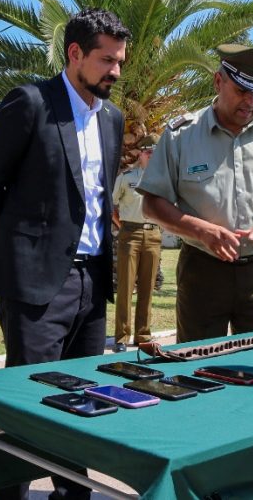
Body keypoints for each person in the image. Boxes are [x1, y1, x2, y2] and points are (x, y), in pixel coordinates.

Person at [0, 8, 128, 500]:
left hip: (92, 284)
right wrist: (18, 252)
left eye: (121, 61)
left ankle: (73, 494)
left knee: (82, 401)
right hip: (37, 286)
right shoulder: (32, 102)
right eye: (107, 60)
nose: (116, 72)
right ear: (75, 53)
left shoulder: (113, 120)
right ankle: (8, 495)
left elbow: (99, 197)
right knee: (28, 402)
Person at [138, 44, 253, 343]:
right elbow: (152, 204)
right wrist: (200, 229)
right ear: (218, 82)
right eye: (242, 91)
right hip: (202, 272)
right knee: (196, 370)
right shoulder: (181, 134)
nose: (251, 101)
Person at [111, 134, 161, 352]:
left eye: (154, 152)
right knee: (126, 286)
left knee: (148, 287)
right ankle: (121, 337)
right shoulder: (126, 177)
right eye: (148, 152)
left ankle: (143, 335)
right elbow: (112, 206)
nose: (151, 156)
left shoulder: (162, 179)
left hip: (153, 235)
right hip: (129, 233)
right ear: (140, 153)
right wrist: (122, 226)